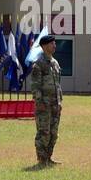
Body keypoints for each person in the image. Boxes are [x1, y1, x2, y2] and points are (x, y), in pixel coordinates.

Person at [30, 35, 63, 168]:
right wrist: (39, 102)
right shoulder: (39, 64)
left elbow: (58, 84)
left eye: (55, 43)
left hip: (55, 103)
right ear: (44, 46)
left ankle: (49, 157)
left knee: (54, 132)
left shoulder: (55, 63)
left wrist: (60, 102)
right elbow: (35, 86)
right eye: (52, 44)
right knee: (44, 132)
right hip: (44, 104)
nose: (54, 46)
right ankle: (42, 159)